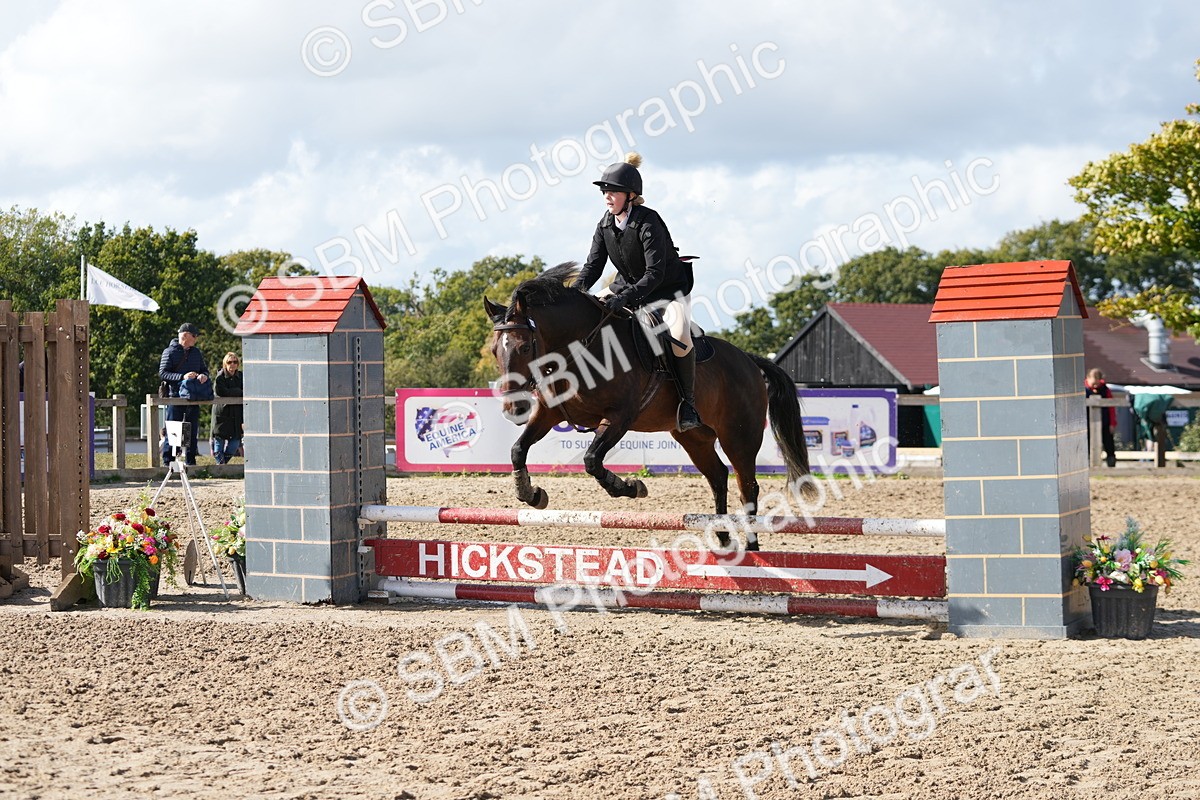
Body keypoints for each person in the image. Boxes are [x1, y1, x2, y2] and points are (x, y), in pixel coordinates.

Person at [573, 152, 702, 431]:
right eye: (604, 192)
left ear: (631, 196)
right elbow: (592, 267)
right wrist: (574, 293)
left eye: (613, 192)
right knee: (585, 315)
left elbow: (654, 273)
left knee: (680, 335)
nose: (607, 197)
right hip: (627, 288)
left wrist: (624, 297)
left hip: (667, 291)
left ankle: (688, 404)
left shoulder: (648, 222)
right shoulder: (605, 224)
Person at [159, 322, 209, 465]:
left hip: (193, 396)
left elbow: (204, 370)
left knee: (191, 431)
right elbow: (163, 373)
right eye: (194, 336)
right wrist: (183, 377)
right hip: (175, 396)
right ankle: (168, 461)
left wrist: (203, 376)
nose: (196, 338)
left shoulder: (196, 352)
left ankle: (190, 461)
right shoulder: (169, 352)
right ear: (186, 336)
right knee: (173, 430)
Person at [210, 352, 244, 464]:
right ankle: (221, 467)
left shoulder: (241, 376)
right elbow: (221, 392)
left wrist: (233, 392)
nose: (232, 364)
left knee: (234, 444)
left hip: (236, 415)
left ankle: (222, 465)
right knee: (218, 445)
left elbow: (246, 391)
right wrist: (238, 391)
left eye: (235, 362)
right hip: (222, 414)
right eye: (229, 362)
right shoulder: (220, 376)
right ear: (225, 363)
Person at [1085, 367, 1117, 467]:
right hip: (1086, 424)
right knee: (1086, 446)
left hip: (1105, 423)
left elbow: (1111, 408)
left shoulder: (1105, 390)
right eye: (1093, 384)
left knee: (1109, 445)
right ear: (1088, 379)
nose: (1095, 386)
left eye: (1097, 384)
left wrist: (1112, 423)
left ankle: (1111, 466)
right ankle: (1087, 466)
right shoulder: (1083, 390)